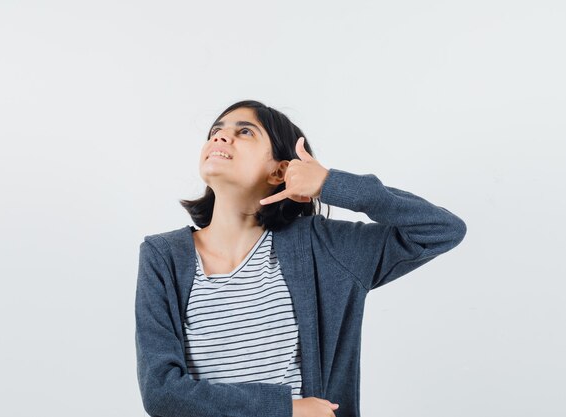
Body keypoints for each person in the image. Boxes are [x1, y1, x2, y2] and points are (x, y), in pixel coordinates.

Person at [135, 100, 467, 417]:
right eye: (216, 131)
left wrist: (330, 183)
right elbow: (162, 392)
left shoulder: (322, 247)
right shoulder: (164, 256)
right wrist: (284, 410)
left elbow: (441, 229)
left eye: (245, 132)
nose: (221, 136)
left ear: (280, 171)